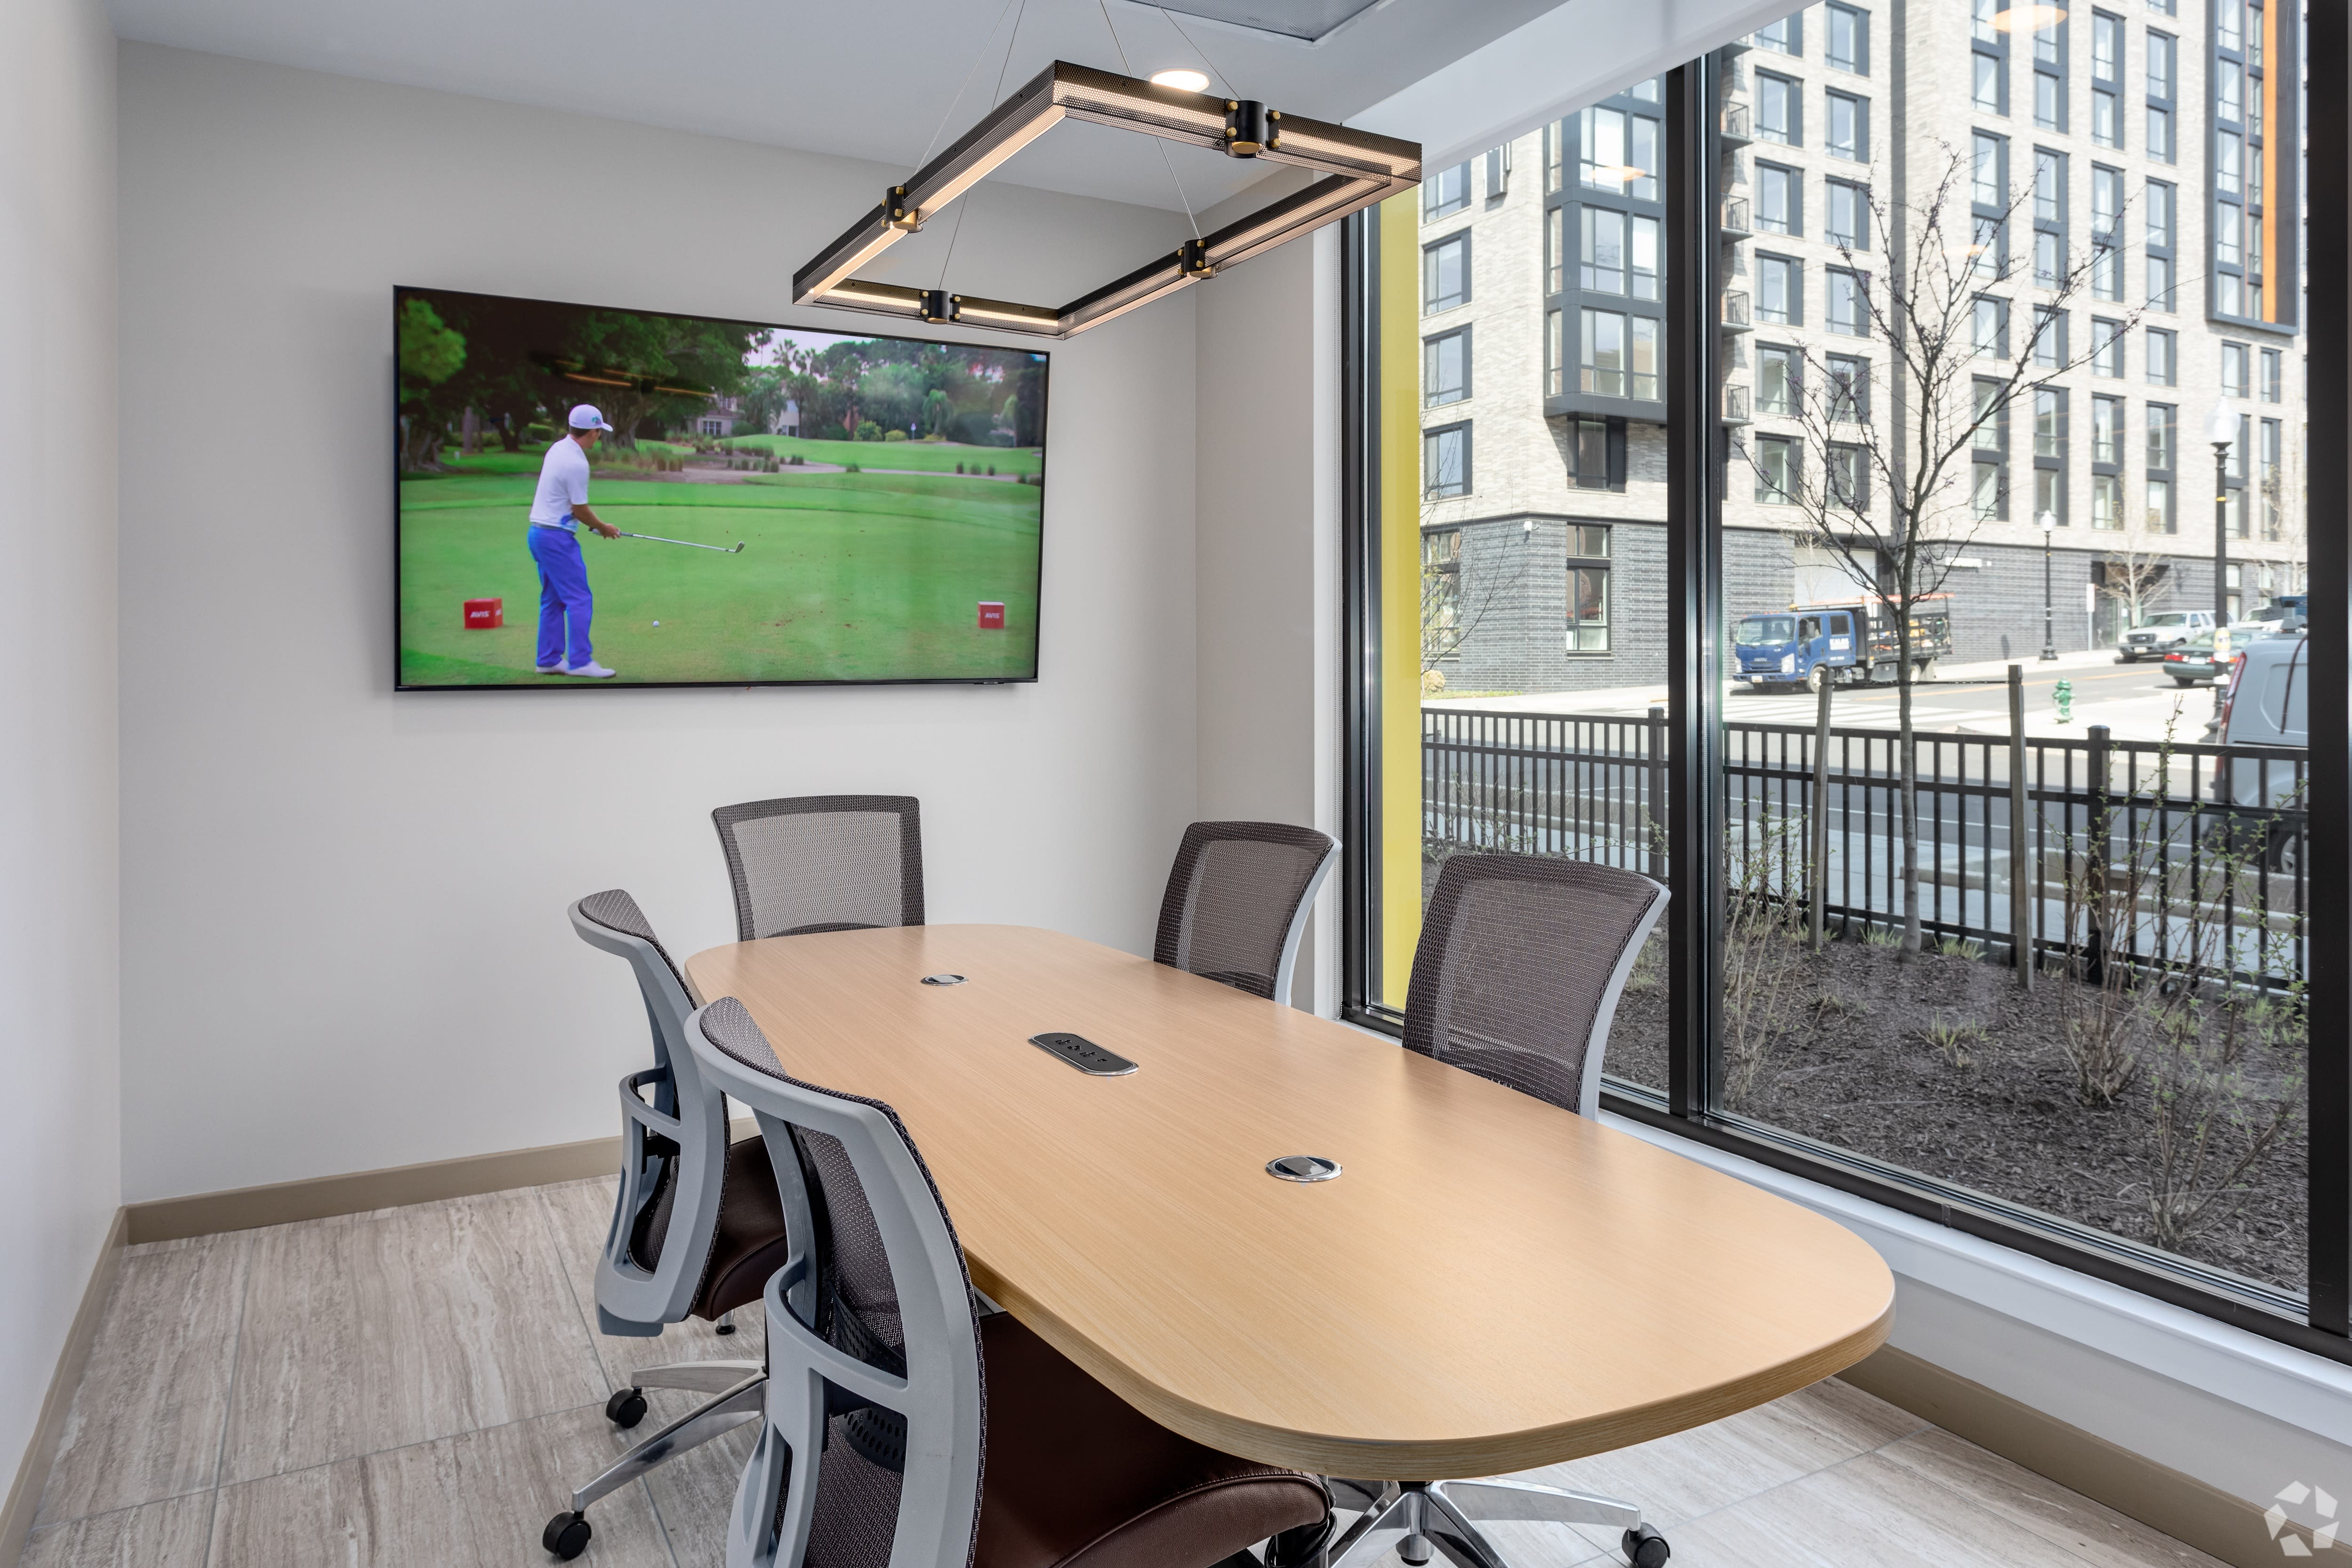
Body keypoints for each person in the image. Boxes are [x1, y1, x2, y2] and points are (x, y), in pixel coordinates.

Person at [529, 405, 623, 677]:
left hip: (539, 533)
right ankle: (581, 662)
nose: (599, 437)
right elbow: (579, 509)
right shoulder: (577, 463)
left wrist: (594, 525)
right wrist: (603, 528)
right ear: (592, 432)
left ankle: (548, 660)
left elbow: (568, 505)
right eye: (599, 432)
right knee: (580, 599)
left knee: (553, 599)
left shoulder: (558, 448)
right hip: (555, 539)